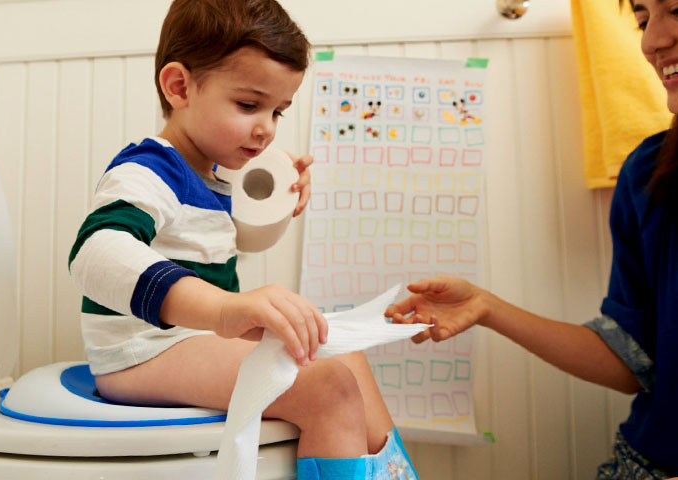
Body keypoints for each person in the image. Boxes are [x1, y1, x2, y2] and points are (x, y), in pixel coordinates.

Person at [68, 0, 419, 477]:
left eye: (279, 111)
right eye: (249, 105)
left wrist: (281, 202)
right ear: (179, 87)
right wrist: (224, 309)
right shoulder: (147, 170)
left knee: (345, 355)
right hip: (141, 353)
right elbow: (96, 253)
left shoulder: (213, 175)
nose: (266, 129)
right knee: (329, 386)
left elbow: (232, 241)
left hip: (190, 343)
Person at [386, 0, 678, 478]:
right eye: (641, 18)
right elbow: (633, 359)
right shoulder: (649, 175)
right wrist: (487, 307)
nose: (652, 41)